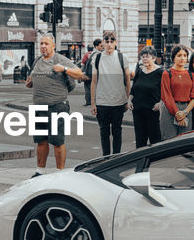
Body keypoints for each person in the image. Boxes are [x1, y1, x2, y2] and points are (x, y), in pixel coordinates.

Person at [25, 33, 85, 175]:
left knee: (57, 141)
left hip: (57, 106)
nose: (43, 46)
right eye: (41, 44)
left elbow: (79, 74)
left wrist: (64, 69)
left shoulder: (60, 59)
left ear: (53, 45)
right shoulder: (37, 61)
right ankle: (40, 171)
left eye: (46, 44)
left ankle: (60, 173)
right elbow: (30, 79)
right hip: (39, 107)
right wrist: (30, 83)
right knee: (41, 141)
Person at [90, 31, 131, 156]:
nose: (109, 44)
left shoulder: (122, 57)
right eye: (106, 41)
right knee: (104, 133)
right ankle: (106, 158)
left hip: (118, 102)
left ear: (116, 42)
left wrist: (127, 100)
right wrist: (93, 103)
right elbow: (94, 82)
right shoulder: (97, 58)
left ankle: (116, 158)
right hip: (102, 102)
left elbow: (128, 82)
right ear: (102, 42)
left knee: (117, 132)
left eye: (111, 41)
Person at [159, 44, 194, 139]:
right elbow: (166, 96)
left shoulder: (191, 75)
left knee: (184, 141)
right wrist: (177, 114)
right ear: (173, 57)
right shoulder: (167, 73)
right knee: (169, 141)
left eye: (185, 56)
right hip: (169, 110)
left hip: (186, 109)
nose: (182, 58)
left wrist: (184, 113)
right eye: (179, 55)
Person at [130, 48, 164, 148]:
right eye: (143, 57)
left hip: (153, 111)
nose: (144, 59)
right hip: (138, 111)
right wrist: (129, 100)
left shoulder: (161, 72)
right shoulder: (140, 71)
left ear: (154, 58)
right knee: (140, 141)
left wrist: (160, 103)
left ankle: (155, 163)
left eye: (147, 57)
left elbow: (166, 91)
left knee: (155, 141)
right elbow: (133, 89)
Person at [81, 38, 100, 107]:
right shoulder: (98, 54)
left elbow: (83, 63)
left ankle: (88, 101)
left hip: (88, 74)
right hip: (94, 74)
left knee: (87, 88)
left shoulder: (87, 54)